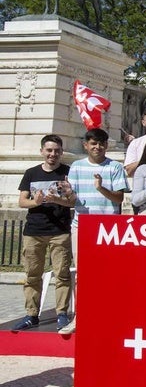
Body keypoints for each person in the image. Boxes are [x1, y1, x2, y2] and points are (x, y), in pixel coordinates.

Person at [62, 128, 129, 334]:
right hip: (82, 227)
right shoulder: (76, 167)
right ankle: (79, 318)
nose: (97, 147)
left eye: (101, 143)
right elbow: (72, 200)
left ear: (106, 146)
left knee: (109, 274)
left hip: (109, 229)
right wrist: (66, 194)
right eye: (93, 143)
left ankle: (110, 316)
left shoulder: (115, 167)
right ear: (86, 145)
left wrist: (101, 188)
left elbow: (119, 199)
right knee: (82, 275)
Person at [13, 135, 76, 331]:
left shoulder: (68, 172)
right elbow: (22, 201)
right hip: (34, 231)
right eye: (49, 150)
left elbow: (73, 201)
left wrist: (57, 201)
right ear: (42, 151)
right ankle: (32, 314)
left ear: (61, 152)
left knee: (62, 275)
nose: (52, 154)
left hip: (60, 230)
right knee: (32, 275)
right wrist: (36, 203)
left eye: (56, 150)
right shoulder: (31, 173)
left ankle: (62, 314)